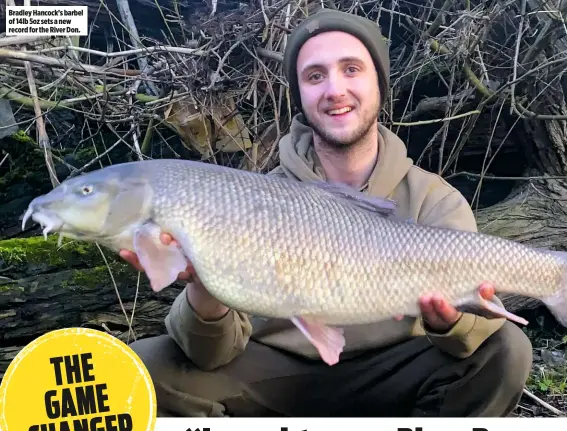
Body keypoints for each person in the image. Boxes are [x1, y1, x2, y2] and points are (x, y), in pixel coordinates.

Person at [124, 9, 533, 417]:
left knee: (506, 351)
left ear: (379, 83)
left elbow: (466, 342)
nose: (334, 89)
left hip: (394, 372)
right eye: (315, 76)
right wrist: (205, 287)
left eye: (351, 69)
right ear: (299, 93)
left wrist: (448, 323)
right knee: (141, 368)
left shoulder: (434, 199)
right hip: (276, 377)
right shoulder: (255, 197)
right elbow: (209, 354)